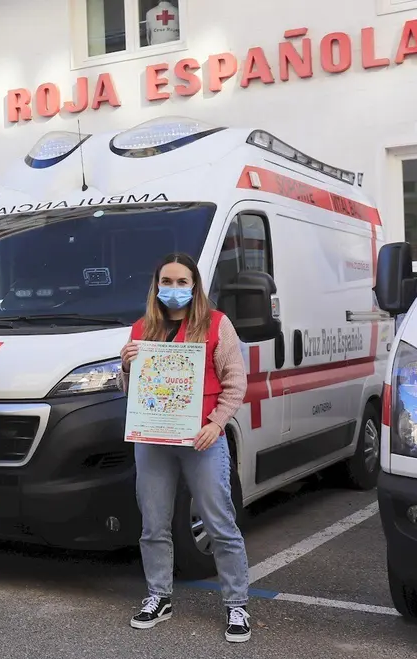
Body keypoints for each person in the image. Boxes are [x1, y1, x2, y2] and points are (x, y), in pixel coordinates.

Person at [119, 252, 251, 643]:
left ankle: (237, 604)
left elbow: (235, 383)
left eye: (181, 282)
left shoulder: (217, 325)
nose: (173, 289)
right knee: (153, 525)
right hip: (154, 440)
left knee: (219, 523)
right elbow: (130, 391)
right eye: (166, 282)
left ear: (194, 285)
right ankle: (158, 596)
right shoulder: (142, 328)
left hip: (202, 440)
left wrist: (215, 424)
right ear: (155, 286)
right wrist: (125, 367)